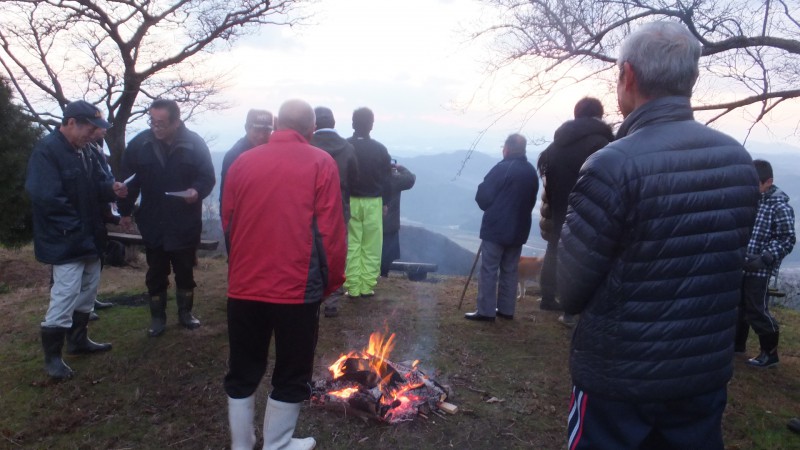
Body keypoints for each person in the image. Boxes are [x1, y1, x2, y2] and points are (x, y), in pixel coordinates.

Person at [558, 21, 760, 449]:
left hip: (619, 377)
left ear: (628, 76)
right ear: (692, 77)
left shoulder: (611, 166)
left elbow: (570, 290)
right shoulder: (738, 161)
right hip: (701, 374)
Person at [222, 99, 346, 450]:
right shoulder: (321, 162)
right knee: (292, 370)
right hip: (296, 288)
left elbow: (228, 222)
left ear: (277, 125)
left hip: (244, 285)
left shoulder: (243, 161)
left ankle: (242, 444)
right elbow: (331, 233)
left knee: (242, 368)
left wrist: (239, 268)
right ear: (311, 129)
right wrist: (331, 282)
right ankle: (278, 444)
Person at [25, 100, 128, 380]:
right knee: (66, 293)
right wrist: (75, 228)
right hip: (66, 239)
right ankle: (53, 359)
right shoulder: (47, 152)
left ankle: (79, 340)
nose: (94, 134)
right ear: (71, 123)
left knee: (88, 290)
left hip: (90, 236)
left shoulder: (87, 151)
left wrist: (112, 189)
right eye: (90, 128)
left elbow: (96, 186)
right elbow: (47, 198)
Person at [118, 99, 216, 337]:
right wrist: (125, 211)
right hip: (153, 220)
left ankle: (185, 313)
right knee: (156, 272)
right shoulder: (140, 144)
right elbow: (128, 181)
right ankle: (157, 318)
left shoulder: (194, 143)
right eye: (152, 121)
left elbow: (207, 177)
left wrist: (196, 190)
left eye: (161, 123)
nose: (156, 127)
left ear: (176, 122)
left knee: (185, 270)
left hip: (184, 221)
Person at [536, 97, 614, 327]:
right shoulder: (602, 142)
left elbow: (546, 177)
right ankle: (572, 308)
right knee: (582, 256)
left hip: (558, 207)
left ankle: (547, 297)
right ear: (599, 115)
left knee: (554, 249)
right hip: (588, 208)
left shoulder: (557, 144)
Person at [465, 133, 538, 322]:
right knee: (510, 269)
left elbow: (483, 196)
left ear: (507, 149)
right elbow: (531, 201)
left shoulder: (502, 168)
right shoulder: (531, 171)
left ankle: (486, 311)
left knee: (489, 269)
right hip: (520, 228)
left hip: (496, 227)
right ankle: (506, 310)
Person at [735, 159, 795, 368]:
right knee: (738, 306)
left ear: (768, 182)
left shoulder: (780, 207)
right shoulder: (752, 201)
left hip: (760, 270)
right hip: (742, 265)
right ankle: (737, 346)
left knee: (756, 309)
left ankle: (769, 353)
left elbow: (787, 239)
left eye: (755, 184)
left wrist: (765, 258)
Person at [310, 106, 358, 318]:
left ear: (314, 125)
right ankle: (332, 301)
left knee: (308, 253)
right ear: (334, 123)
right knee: (336, 253)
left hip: (308, 209)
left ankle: (311, 297)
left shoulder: (306, 145)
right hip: (338, 209)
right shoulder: (347, 148)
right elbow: (354, 180)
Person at [344, 107, 392, 297]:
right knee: (371, 245)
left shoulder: (345, 146)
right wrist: (386, 202)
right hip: (374, 202)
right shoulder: (380, 149)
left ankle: (352, 286)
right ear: (371, 125)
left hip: (350, 202)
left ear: (353, 123)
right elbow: (387, 180)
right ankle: (366, 286)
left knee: (352, 245)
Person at [219, 109, 273, 253]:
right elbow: (225, 200)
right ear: (247, 128)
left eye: (266, 131)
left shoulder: (272, 152)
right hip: (242, 226)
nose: (261, 136)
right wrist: (229, 233)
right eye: (257, 130)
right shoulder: (235, 156)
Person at [380, 159, 416, 277]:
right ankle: (383, 274)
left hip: (371, 222)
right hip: (390, 225)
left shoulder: (373, 178)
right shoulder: (394, 179)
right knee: (387, 254)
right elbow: (410, 178)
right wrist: (399, 167)